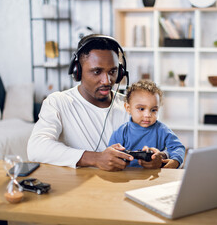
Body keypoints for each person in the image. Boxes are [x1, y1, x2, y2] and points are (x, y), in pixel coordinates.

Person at [27, 34, 165, 171]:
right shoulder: (58, 102)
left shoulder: (130, 106)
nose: (107, 80)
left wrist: (156, 158)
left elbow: (159, 144)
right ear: (78, 72)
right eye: (97, 71)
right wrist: (95, 158)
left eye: (113, 71)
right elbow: (36, 148)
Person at [108, 80, 186, 168]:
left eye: (153, 110)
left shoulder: (162, 130)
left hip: (154, 177)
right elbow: (110, 156)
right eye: (141, 109)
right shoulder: (120, 133)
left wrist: (175, 161)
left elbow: (178, 147)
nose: (147, 115)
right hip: (126, 178)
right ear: (128, 108)